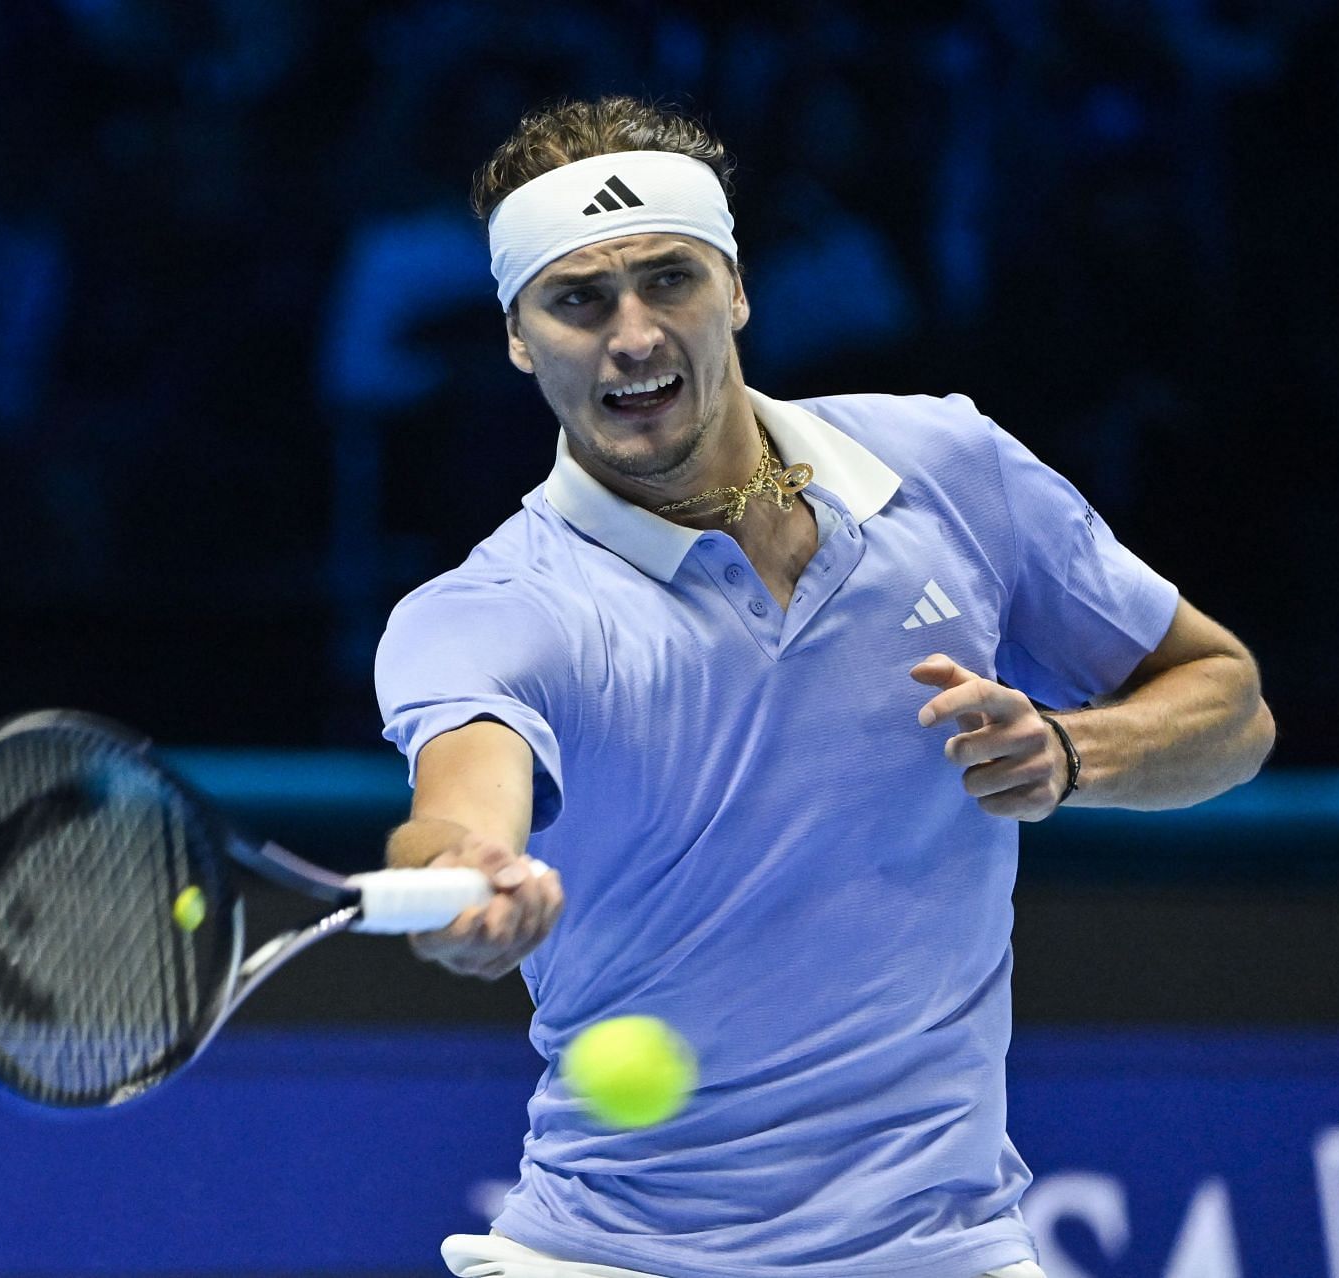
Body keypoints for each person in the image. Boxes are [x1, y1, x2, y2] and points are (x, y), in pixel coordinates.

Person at [374, 97, 1275, 1278]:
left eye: (670, 281)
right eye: (579, 300)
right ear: (517, 336)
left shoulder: (951, 468)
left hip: (951, 1251)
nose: (634, 336)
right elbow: (459, 805)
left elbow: (1233, 707)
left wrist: (1066, 753)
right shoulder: (493, 611)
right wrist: (462, 876)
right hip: (613, 1261)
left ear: (737, 289)